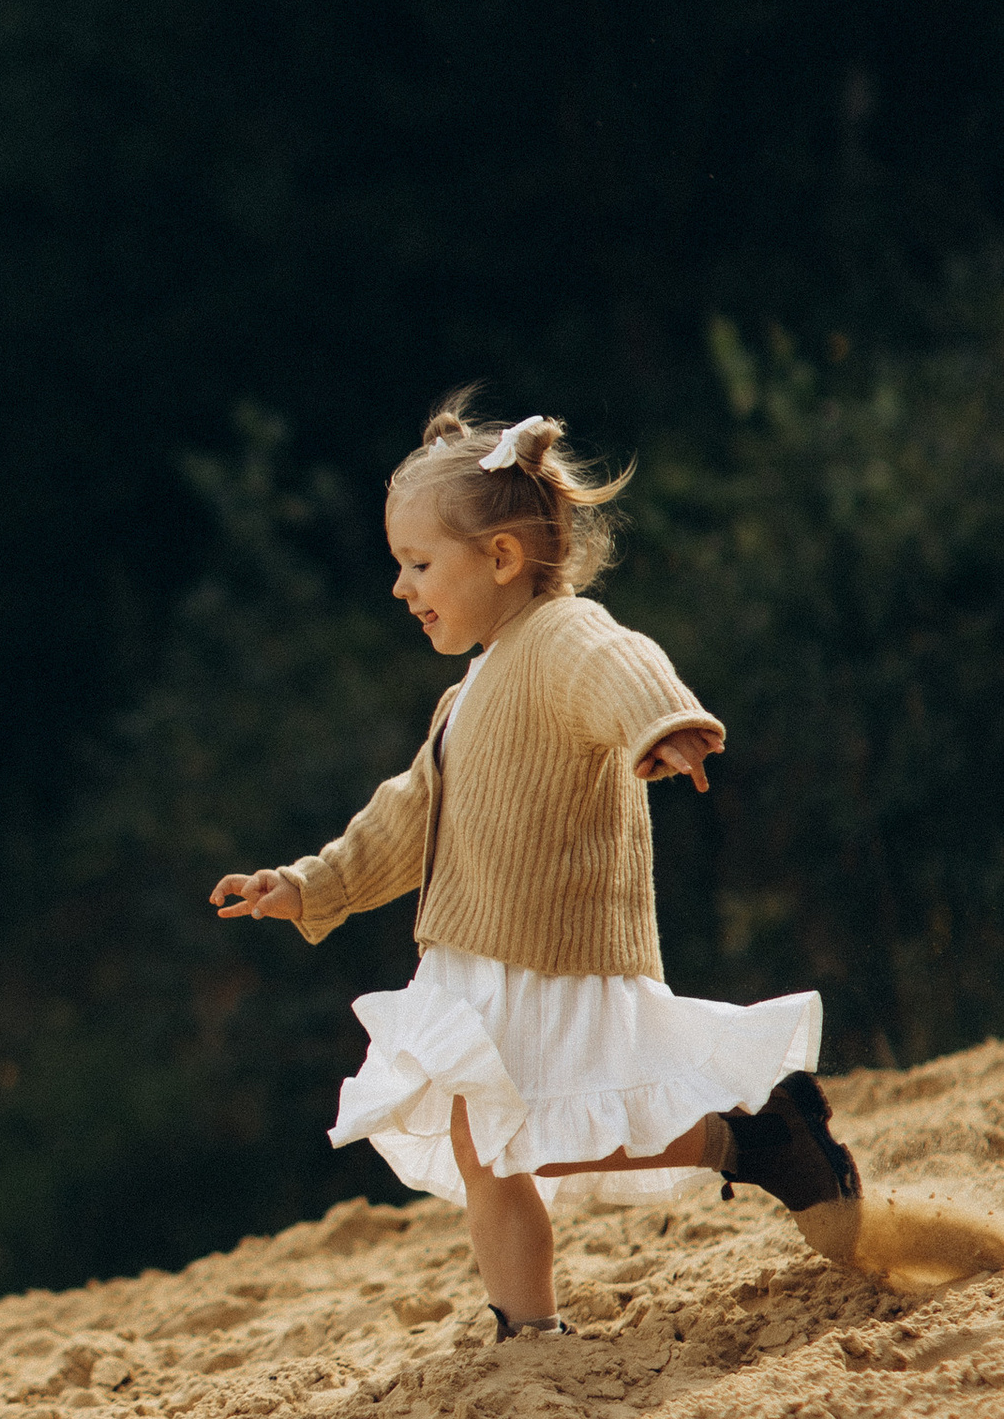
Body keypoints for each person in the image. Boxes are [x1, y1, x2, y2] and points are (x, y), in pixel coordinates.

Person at [208, 394, 859, 1337]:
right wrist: (312, 883)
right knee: (495, 1151)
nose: (402, 588)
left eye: (419, 564)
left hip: (544, 951)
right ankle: (530, 1324)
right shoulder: (467, 693)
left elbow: (618, 665)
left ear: (503, 559)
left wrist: (662, 723)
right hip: (476, 958)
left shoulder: (557, 636)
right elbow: (406, 815)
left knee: (525, 1137)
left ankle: (750, 1135)